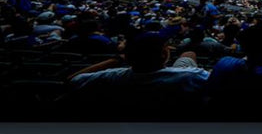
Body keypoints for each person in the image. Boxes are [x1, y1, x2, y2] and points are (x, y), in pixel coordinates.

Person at [63, 31, 209, 121]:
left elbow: (72, 80)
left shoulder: (111, 77)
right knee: (188, 55)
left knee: (187, 55)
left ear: (128, 57)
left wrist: (114, 60)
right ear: (164, 55)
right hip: (176, 86)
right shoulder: (191, 76)